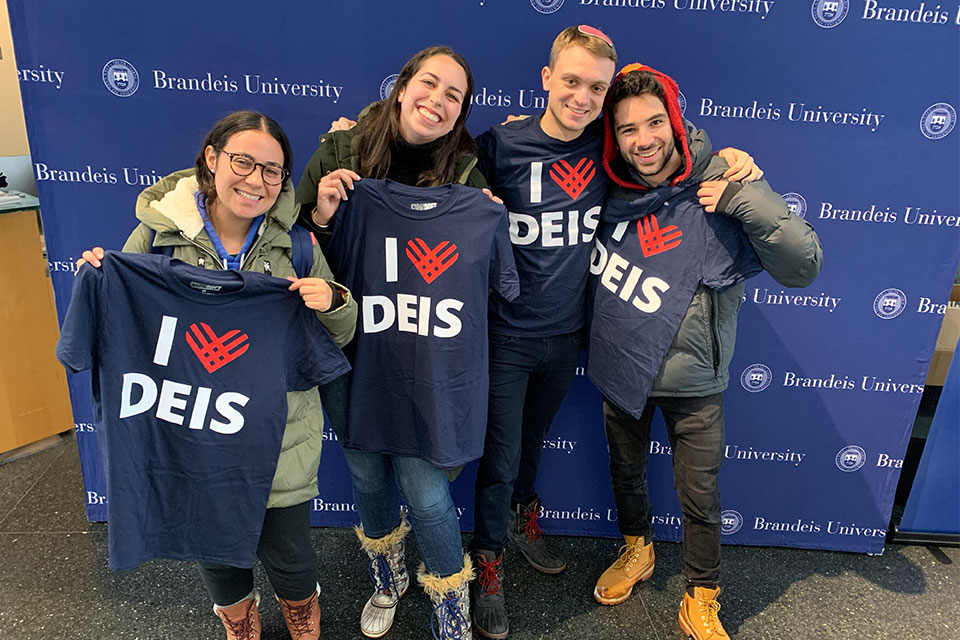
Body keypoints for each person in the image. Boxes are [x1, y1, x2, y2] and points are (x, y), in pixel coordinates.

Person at [470, 26, 760, 639]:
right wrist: (350, 142)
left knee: (530, 443)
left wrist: (731, 158)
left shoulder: (610, 145)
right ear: (547, 78)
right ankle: (486, 564)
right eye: (570, 81)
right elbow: (438, 168)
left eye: (596, 87)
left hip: (570, 334)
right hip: (506, 335)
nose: (581, 96)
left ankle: (525, 520)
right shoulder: (500, 144)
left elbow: (671, 141)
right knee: (498, 453)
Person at [78, 110, 358, 640]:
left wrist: (333, 300)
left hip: (279, 435)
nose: (255, 180)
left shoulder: (298, 245)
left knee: (290, 548)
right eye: (243, 161)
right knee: (214, 541)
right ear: (212, 158)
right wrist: (99, 278)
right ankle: (238, 621)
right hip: (194, 429)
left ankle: (302, 613)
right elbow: (117, 310)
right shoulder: (160, 236)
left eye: (272, 171)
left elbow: (341, 332)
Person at [589, 64, 822, 640]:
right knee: (626, 472)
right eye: (627, 130)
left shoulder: (723, 176)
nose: (643, 140)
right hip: (624, 363)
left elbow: (804, 264)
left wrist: (745, 200)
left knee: (700, 495)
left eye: (654, 123)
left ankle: (701, 595)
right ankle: (637, 551)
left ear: (675, 118)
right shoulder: (607, 181)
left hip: (695, 377)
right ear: (613, 136)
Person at [296, 46, 493, 640]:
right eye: (428, 84)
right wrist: (324, 215)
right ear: (403, 88)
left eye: (453, 95)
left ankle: (448, 590)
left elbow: (483, 268)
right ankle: (388, 576)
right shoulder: (342, 149)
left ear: (459, 113)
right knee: (365, 475)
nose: (437, 100)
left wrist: (489, 219)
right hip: (344, 351)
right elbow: (291, 242)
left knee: (426, 491)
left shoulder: (465, 173)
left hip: (418, 359)